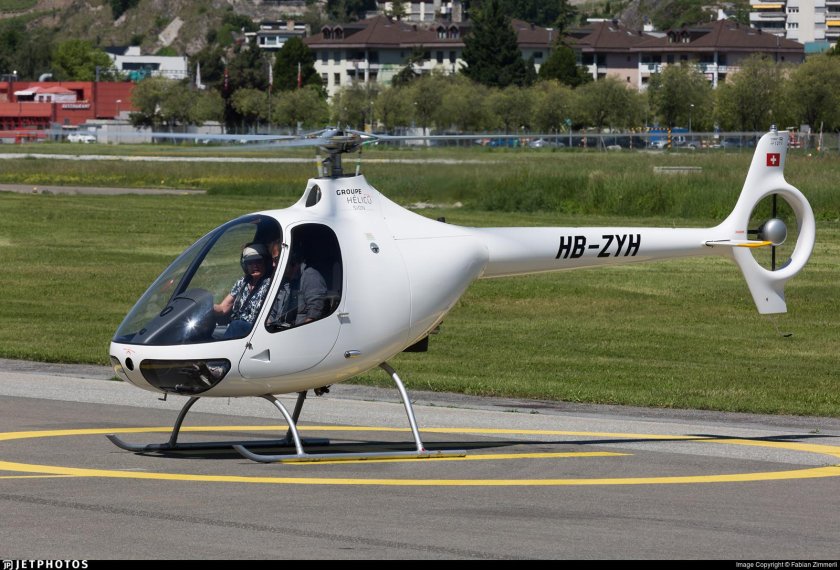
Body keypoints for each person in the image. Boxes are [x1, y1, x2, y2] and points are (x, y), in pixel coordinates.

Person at [214, 243, 273, 338]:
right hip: (236, 328)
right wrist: (206, 307)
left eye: (258, 261)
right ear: (245, 265)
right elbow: (223, 308)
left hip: (254, 331)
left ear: (266, 262)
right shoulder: (242, 282)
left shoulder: (271, 283)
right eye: (250, 262)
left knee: (237, 325)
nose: (254, 265)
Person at [266, 250, 327, 329]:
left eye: (276, 259)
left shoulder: (310, 277)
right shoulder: (282, 281)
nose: (273, 264)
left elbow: (314, 313)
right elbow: (272, 313)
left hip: (299, 332)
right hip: (278, 330)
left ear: (290, 258)